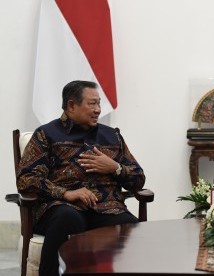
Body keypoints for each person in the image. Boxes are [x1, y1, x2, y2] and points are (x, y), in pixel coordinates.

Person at [16, 80, 146, 276]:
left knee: (131, 227)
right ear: (71, 106)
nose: (98, 110)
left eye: (99, 103)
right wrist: (65, 193)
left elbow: (138, 179)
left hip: (106, 208)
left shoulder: (112, 136)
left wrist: (115, 167)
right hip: (60, 207)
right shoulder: (46, 135)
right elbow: (26, 179)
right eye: (92, 104)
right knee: (68, 218)